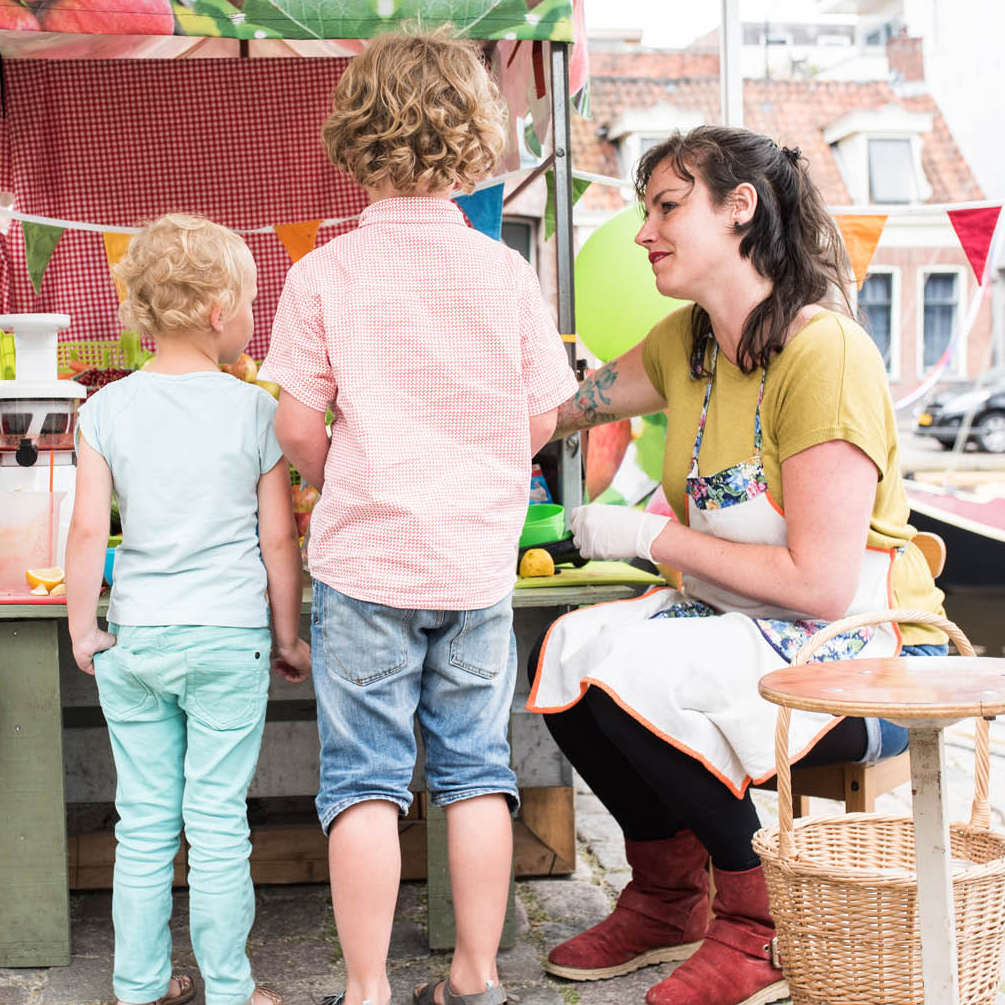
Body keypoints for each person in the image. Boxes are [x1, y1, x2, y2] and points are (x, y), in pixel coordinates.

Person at [525, 126, 948, 1005]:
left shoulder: (823, 354)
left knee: (637, 670)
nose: (643, 232)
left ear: (739, 208)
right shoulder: (685, 343)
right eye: (644, 210)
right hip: (740, 621)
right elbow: (561, 409)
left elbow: (820, 584)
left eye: (666, 207)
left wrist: (647, 539)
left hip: (867, 651)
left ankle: (762, 924)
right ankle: (666, 899)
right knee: (566, 649)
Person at [263, 28, 578, 1005]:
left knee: (363, 779)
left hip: (365, 563)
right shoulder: (505, 272)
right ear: (474, 140)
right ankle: (475, 977)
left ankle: (365, 990)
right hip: (474, 564)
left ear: (353, 139)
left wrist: (342, 476)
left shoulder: (323, 273)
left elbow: (294, 425)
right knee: (476, 770)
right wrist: (477, 470)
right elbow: (542, 417)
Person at [66, 213, 311, 1005]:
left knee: (142, 823)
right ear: (217, 310)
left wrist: (83, 627)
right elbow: (278, 539)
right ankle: (231, 991)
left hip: (136, 637)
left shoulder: (106, 410)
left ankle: (139, 987)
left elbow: (87, 530)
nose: (253, 319)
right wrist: (287, 635)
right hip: (228, 640)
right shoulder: (255, 412)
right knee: (216, 822)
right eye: (251, 303)